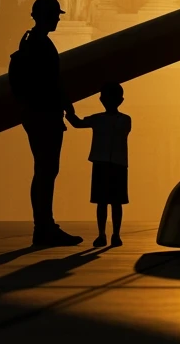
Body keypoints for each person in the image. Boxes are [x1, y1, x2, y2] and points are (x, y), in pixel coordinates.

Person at [9, 0, 83, 248]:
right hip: (45, 114)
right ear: (47, 16)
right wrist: (68, 109)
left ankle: (43, 226)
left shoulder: (29, 41)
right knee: (46, 170)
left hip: (35, 113)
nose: (59, 19)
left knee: (43, 170)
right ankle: (44, 227)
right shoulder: (41, 44)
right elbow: (53, 81)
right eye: (56, 15)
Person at [68, 84, 132, 248]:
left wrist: (69, 111)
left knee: (113, 202)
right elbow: (77, 123)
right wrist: (68, 111)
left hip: (114, 163)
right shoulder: (112, 119)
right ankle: (103, 234)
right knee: (104, 202)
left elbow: (78, 123)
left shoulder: (122, 120)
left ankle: (115, 234)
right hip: (106, 163)